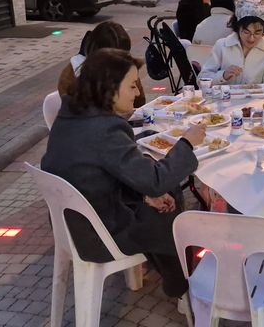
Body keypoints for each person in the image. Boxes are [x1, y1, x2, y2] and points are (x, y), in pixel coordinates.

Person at [41, 48, 206, 302]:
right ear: (110, 88)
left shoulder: (70, 113)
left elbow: (97, 171)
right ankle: (181, 284)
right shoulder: (105, 128)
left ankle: (172, 273)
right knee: (168, 198)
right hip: (98, 235)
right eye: (131, 86)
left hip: (71, 225)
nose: (138, 93)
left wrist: (144, 193)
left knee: (157, 192)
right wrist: (187, 142)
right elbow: (155, 181)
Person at [58, 21, 146, 108]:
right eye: (116, 58)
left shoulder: (124, 68)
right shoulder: (72, 75)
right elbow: (78, 111)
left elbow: (139, 103)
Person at [199, 0, 264, 85]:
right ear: (238, 28)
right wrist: (223, 75)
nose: (251, 38)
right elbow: (201, 79)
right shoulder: (222, 46)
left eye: (257, 33)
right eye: (246, 32)